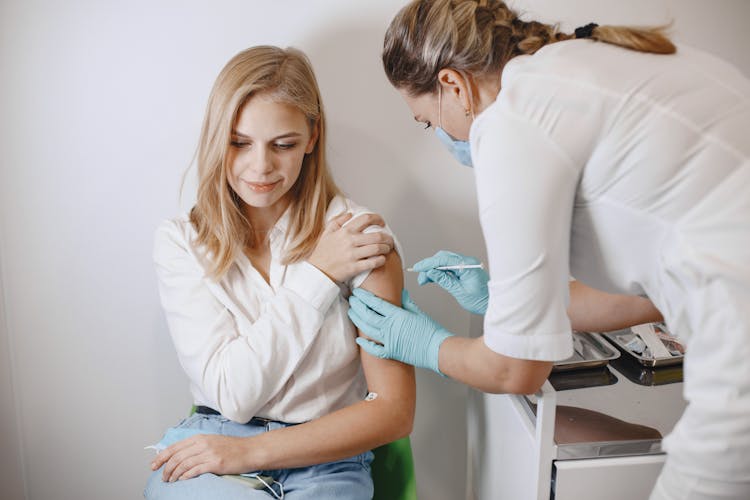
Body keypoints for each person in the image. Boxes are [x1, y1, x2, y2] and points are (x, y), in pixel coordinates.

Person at [348, 1, 750, 499]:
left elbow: (516, 369)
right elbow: (653, 295)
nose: (441, 138)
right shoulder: (591, 62)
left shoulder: (512, 121)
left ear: (454, 85)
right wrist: (504, 302)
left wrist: (427, 343)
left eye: (428, 122)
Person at [145, 45, 415, 499]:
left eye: (283, 145)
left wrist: (251, 453)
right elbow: (233, 395)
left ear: (312, 136)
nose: (261, 167)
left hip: (327, 461)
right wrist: (319, 275)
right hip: (215, 443)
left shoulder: (360, 236)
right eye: (239, 143)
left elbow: (392, 412)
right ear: (216, 139)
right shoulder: (181, 242)